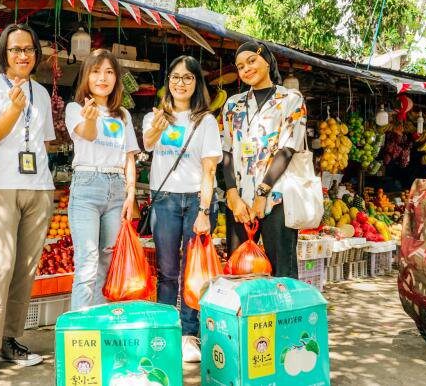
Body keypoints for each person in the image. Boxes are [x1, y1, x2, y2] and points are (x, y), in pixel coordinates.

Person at [0, 24, 54, 380]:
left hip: (39, 186)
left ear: (36, 54)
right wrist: (15, 109)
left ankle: (10, 339)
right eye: (15, 49)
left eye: (29, 49)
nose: (22, 55)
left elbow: (43, 141)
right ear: (4, 52)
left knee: (25, 269)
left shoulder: (42, 93)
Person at [141, 55, 221, 363]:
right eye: (175, 77)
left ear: (197, 83)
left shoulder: (206, 121)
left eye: (188, 77)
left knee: (192, 270)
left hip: (196, 200)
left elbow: (209, 168)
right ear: (168, 82)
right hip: (165, 200)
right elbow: (147, 144)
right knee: (167, 270)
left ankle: (189, 333)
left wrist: (204, 210)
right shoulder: (154, 117)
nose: (181, 83)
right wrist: (157, 127)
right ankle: (165, 329)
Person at [221, 41, 307, 278]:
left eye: (251, 61)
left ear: (267, 61)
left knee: (282, 273)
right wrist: (232, 194)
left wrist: (262, 194)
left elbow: (287, 149)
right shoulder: (233, 105)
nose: (246, 69)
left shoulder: (290, 99)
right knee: (239, 272)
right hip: (239, 203)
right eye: (240, 66)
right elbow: (227, 151)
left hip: (276, 199)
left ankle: (283, 304)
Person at [65, 49, 139, 311]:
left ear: (116, 78)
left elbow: (129, 157)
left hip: (117, 188)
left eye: (109, 72)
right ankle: (79, 327)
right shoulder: (75, 108)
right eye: (96, 71)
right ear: (86, 76)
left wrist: (131, 194)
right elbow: (87, 134)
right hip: (87, 185)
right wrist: (90, 118)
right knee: (87, 262)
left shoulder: (123, 115)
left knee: (106, 260)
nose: (102, 78)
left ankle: (99, 322)